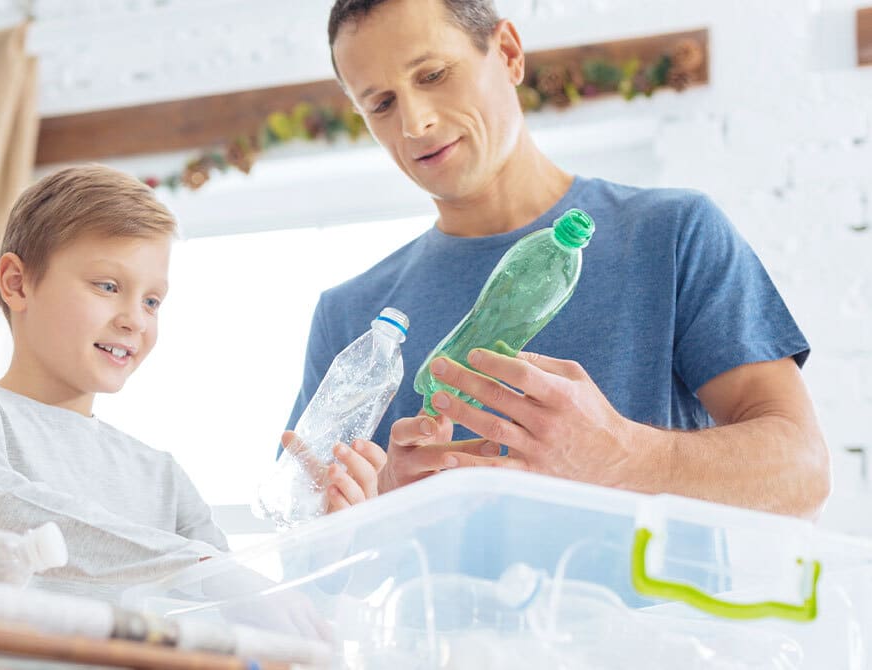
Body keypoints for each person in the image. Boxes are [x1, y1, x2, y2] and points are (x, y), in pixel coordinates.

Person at [288, 0, 828, 520]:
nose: (414, 124)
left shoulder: (672, 234)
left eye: (432, 75)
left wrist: (622, 456)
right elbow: (306, 554)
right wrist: (381, 512)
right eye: (381, 104)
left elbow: (802, 475)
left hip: (653, 617)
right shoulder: (351, 317)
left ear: (508, 53)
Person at [0, 165, 381, 601]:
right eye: (108, 287)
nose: (135, 320)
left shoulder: (164, 478)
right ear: (17, 283)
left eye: (153, 301)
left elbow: (233, 610)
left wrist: (328, 546)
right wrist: (193, 565)